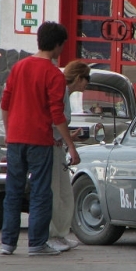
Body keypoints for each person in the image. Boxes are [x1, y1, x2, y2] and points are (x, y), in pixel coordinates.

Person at [0, 21, 80, 256]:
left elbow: (5, 103)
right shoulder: (54, 74)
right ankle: (36, 243)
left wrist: (8, 132)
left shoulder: (18, 67)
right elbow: (57, 115)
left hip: (15, 139)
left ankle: (7, 243)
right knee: (41, 192)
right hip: (40, 141)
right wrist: (71, 146)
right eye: (62, 45)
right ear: (57, 45)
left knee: (13, 192)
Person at [48, 60, 90, 252]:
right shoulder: (62, 91)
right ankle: (51, 235)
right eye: (86, 79)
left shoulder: (68, 94)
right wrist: (70, 145)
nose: (87, 84)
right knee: (54, 193)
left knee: (65, 193)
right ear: (79, 78)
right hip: (51, 146)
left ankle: (61, 233)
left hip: (58, 145)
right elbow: (56, 118)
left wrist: (67, 138)